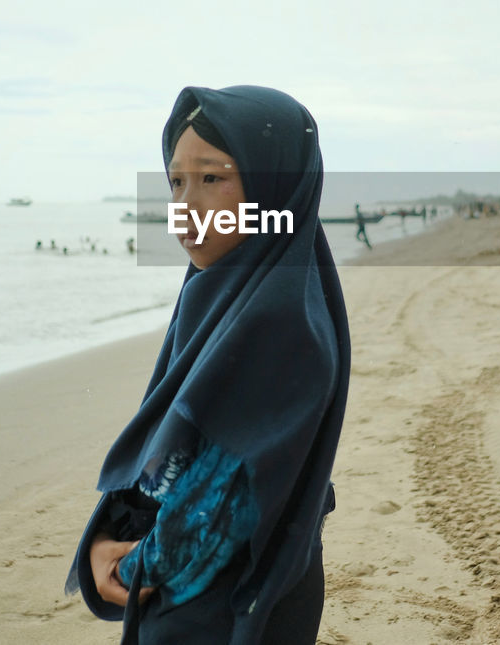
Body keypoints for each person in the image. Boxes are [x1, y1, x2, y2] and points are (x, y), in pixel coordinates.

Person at [66, 86, 351, 644]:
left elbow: (224, 502)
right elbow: (177, 450)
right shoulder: (219, 293)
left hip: (221, 607)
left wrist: (122, 565)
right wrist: (107, 536)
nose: (186, 204)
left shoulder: (279, 320)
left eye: (213, 178)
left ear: (272, 190)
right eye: (176, 181)